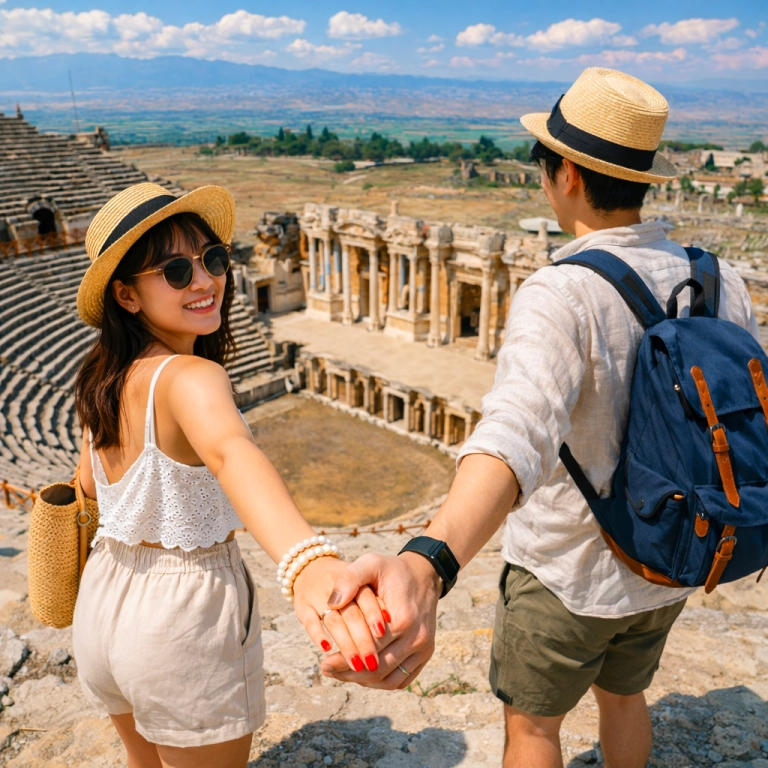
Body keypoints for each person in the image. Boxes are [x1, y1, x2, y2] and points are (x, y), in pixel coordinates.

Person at [322, 68, 759, 767]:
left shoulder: (561, 292)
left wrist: (430, 559)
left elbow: (514, 436)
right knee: (626, 698)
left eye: (545, 167)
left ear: (570, 177)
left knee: (533, 730)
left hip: (568, 570)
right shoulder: (720, 279)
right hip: (672, 555)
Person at [72, 183, 385, 768]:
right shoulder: (190, 377)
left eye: (213, 259)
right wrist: (307, 562)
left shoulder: (102, 380)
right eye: (175, 269)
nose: (205, 279)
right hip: (180, 620)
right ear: (127, 295)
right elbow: (230, 454)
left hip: (102, 605)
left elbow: (86, 490)